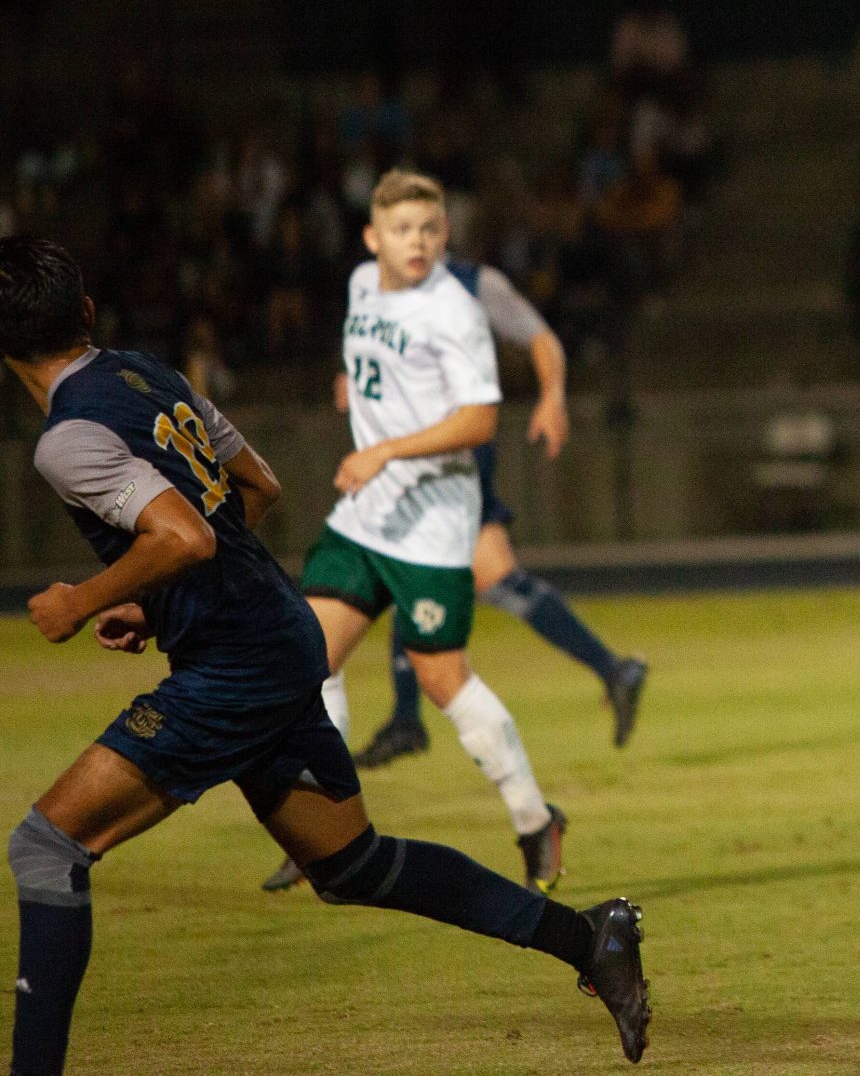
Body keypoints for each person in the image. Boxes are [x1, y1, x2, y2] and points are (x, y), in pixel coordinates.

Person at [0, 235, 650, 1072]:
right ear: (85, 314)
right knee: (351, 864)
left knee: (46, 846)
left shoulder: (66, 440)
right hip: (277, 631)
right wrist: (152, 600)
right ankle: (588, 934)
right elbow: (257, 489)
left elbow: (186, 534)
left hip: (234, 668)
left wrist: (82, 599)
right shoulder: (144, 374)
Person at [262, 171, 565, 895]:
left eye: (429, 229)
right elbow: (374, 356)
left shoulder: (454, 310)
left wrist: (384, 449)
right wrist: (356, 380)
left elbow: (478, 420)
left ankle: (533, 817)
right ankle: (327, 832)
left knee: (440, 677)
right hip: (366, 515)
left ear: (444, 235)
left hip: (432, 522)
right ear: (373, 237)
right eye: (403, 229)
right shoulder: (362, 283)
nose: (418, 242)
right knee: (308, 659)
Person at [352, 256, 649, 770]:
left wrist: (552, 395)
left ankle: (407, 722)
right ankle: (613, 670)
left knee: (433, 574)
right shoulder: (376, 290)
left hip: (453, 458)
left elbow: (540, 337)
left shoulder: (474, 285)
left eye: (424, 224)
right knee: (467, 579)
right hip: (414, 459)